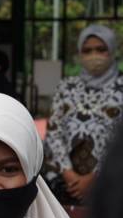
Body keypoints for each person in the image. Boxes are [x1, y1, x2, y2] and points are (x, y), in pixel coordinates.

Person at [43, 25, 123, 207]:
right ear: (80, 54)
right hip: (66, 182)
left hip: (113, 181)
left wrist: (95, 177)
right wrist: (68, 174)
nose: (94, 55)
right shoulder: (67, 87)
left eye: (101, 49)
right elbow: (54, 131)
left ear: (112, 51)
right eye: (87, 50)